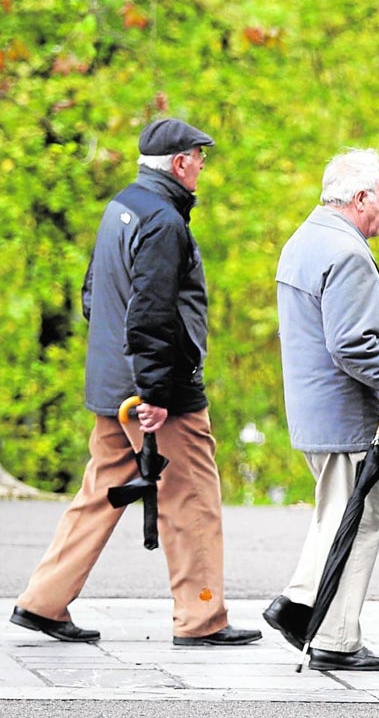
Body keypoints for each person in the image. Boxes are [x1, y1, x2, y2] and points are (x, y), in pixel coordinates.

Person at [10, 118, 262, 647]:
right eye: (199, 158)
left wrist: (121, 371)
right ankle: (201, 618)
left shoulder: (120, 207)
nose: (201, 167)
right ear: (178, 163)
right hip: (155, 392)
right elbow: (151, 315)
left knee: (101, 490)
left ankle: (43, 601)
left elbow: (92, 294)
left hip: (112, 381)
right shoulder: (165, 223)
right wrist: (155, 392)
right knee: (191, 497)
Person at [263, 148, 379, 672]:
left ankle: (303, 608)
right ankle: (331, 633)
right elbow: (352, 342)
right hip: (347, 416)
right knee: (359, 520)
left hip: (316, 411)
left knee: (339, 514)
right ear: (361, 197)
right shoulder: (345, 252)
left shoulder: (304, 241)